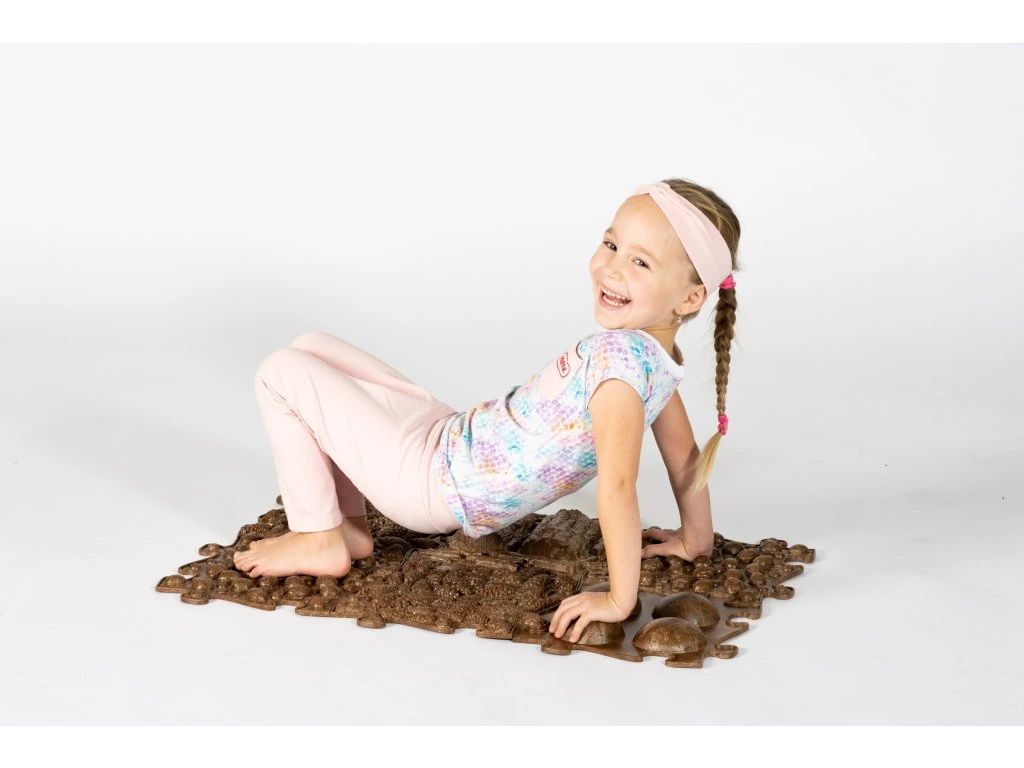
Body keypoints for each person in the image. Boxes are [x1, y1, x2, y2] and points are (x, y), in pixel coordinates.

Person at [233, 177, 743, 644]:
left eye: (641, 263)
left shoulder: (619, 372)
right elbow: (685, 459)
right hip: (448, 437)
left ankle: (320, 537)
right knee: (311, 348)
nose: (611, 267)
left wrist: (618, 599)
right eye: (611, 245)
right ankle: (346, 526)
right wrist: (696, 538)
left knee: (280, 371)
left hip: (430, 485)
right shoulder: (655, 363)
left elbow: (618, 487)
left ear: (690, 298)